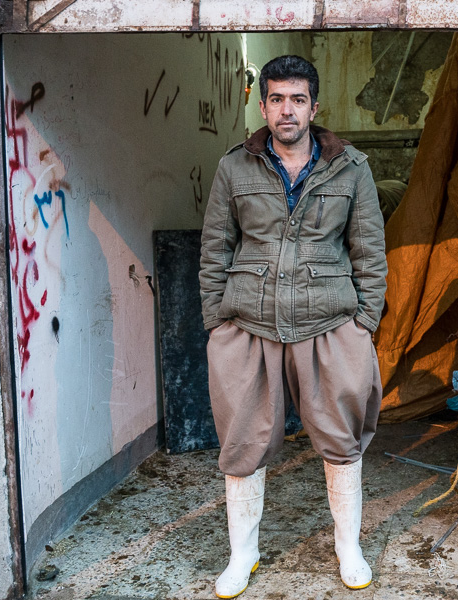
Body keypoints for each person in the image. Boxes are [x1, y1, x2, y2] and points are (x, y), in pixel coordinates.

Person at [199, 55, 387, 598]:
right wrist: (217, 323)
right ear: (262, 106)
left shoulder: (351, 168)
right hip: (249, 325)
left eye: (297, 99)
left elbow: (369, 252)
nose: (287, 110)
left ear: (314, 107)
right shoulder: (234, 168)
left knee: (340, 437)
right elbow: (215, 248)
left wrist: (363, 324)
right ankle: (243, 555)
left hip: (329, 322)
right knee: (243, 440)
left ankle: (347, 547)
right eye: (277, 99)